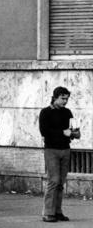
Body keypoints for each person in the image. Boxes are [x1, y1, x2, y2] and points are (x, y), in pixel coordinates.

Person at [39, 86, 80, 222]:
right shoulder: (45, 112)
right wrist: (63, 132)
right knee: (53, 180)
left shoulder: (67, 112)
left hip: (65, 149)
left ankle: (57, 211)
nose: (65, 101)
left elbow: (75, 131)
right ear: (55, 97)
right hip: (51, 150)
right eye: (62, 98)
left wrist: (74, 133)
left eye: (67, 99)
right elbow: (44, 132)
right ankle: (47, 212)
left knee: (61, 182)